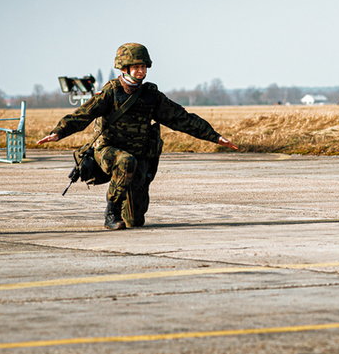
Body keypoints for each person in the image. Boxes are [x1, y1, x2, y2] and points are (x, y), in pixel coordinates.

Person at [37, 43, 238, 230]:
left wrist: (215, 137)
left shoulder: (151, 96)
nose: (141, 71)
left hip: (138, 155)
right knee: (126, 162)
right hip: (108, 151)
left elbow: (181, 118)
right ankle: (111, 213)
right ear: (124, 68)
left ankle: (126, 202)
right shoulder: (111, 92)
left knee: (135, 220)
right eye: (136, 67)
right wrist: (58, 132)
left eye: (143, 66)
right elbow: (83, 115)